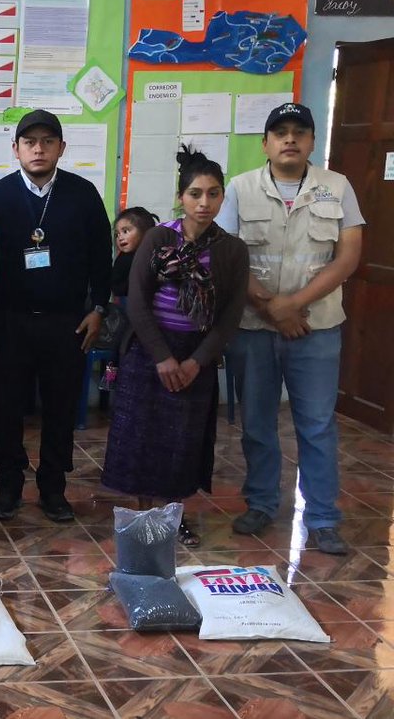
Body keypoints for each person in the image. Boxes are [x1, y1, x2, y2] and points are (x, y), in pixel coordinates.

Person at [218, 103, 365, 555]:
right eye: (279, 132)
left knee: (317, 424)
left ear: (311, 142)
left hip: (316, 328)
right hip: (254, 328)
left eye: (299, 132)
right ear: (265, 143)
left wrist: (293, 306)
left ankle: (322, 517)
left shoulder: (337, 187)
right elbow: (226, 257)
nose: (289, 139)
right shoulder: (240, 188)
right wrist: (269, 307)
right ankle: (261, 503)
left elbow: (348, 256)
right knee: (258, 422)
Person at [101, 146, 249, 547]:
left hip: (197, 355)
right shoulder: (158, 238)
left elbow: (229, 316)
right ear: (181, 197)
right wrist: (163, 358)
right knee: (142, 435)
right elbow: (137, 299)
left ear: (222, 197)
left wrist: (196, 362)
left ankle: (172, 516)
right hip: (150, 349)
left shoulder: (232, 249)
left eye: (214, 193)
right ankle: (145, 515)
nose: (204, 203)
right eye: (196, 194)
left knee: (183, 440)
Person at [0, 109, 112, 523]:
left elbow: (101, 258)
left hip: (66, 321)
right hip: (9, 321)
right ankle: (8, 487)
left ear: (61, 148)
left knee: (60, 407)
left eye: (47, 141)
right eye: (30, 142)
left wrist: (98, 308)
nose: (38, 148)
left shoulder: (83, 194)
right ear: (15, 149)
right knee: (7, 407)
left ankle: (53, 488)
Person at [99, 207, 158, 391]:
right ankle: (110, 377)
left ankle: (115, 377)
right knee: (119, 342)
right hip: (126, 309)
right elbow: (116, 286)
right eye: (117, 234)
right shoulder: (123, 259)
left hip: (145, 311)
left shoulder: (153, 257)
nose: (120, 238)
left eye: (126, 231)